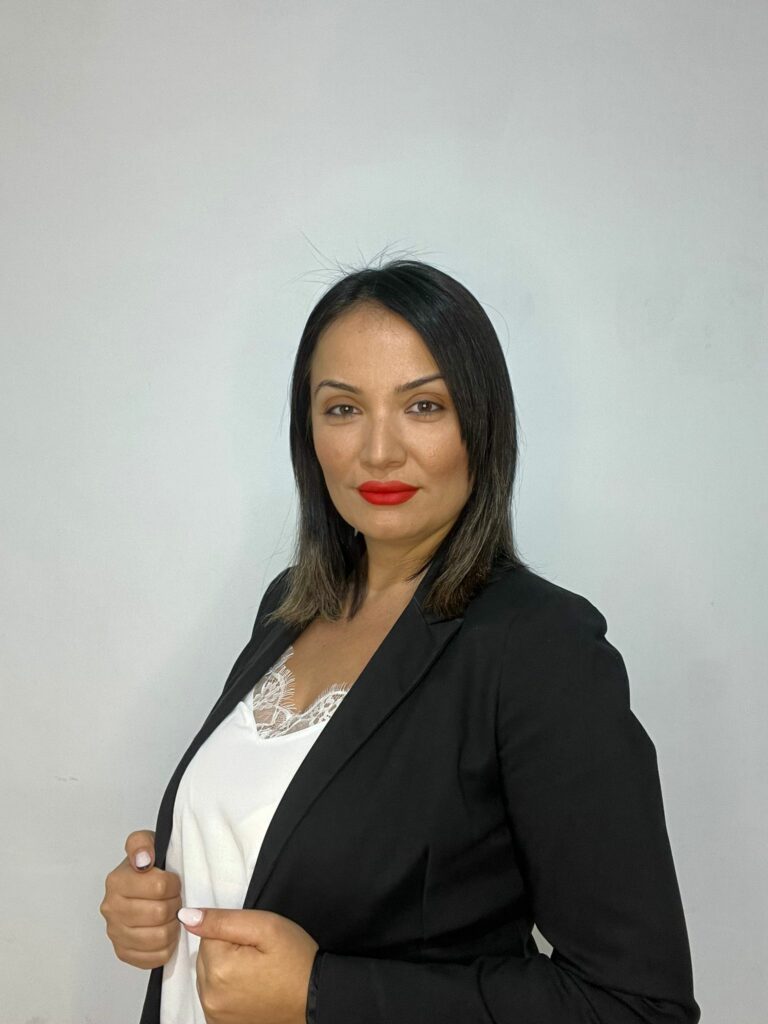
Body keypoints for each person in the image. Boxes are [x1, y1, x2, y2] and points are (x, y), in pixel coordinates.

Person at [100, 258, 701, 1024]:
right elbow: (275, 849)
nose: (378, 451)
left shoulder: (540, 649)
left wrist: (321, 994)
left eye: (423, 405)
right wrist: (157, 899)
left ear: (481, 423)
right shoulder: (288, 606)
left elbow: (637, 1007)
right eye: (343, 409)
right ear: (309, 431)